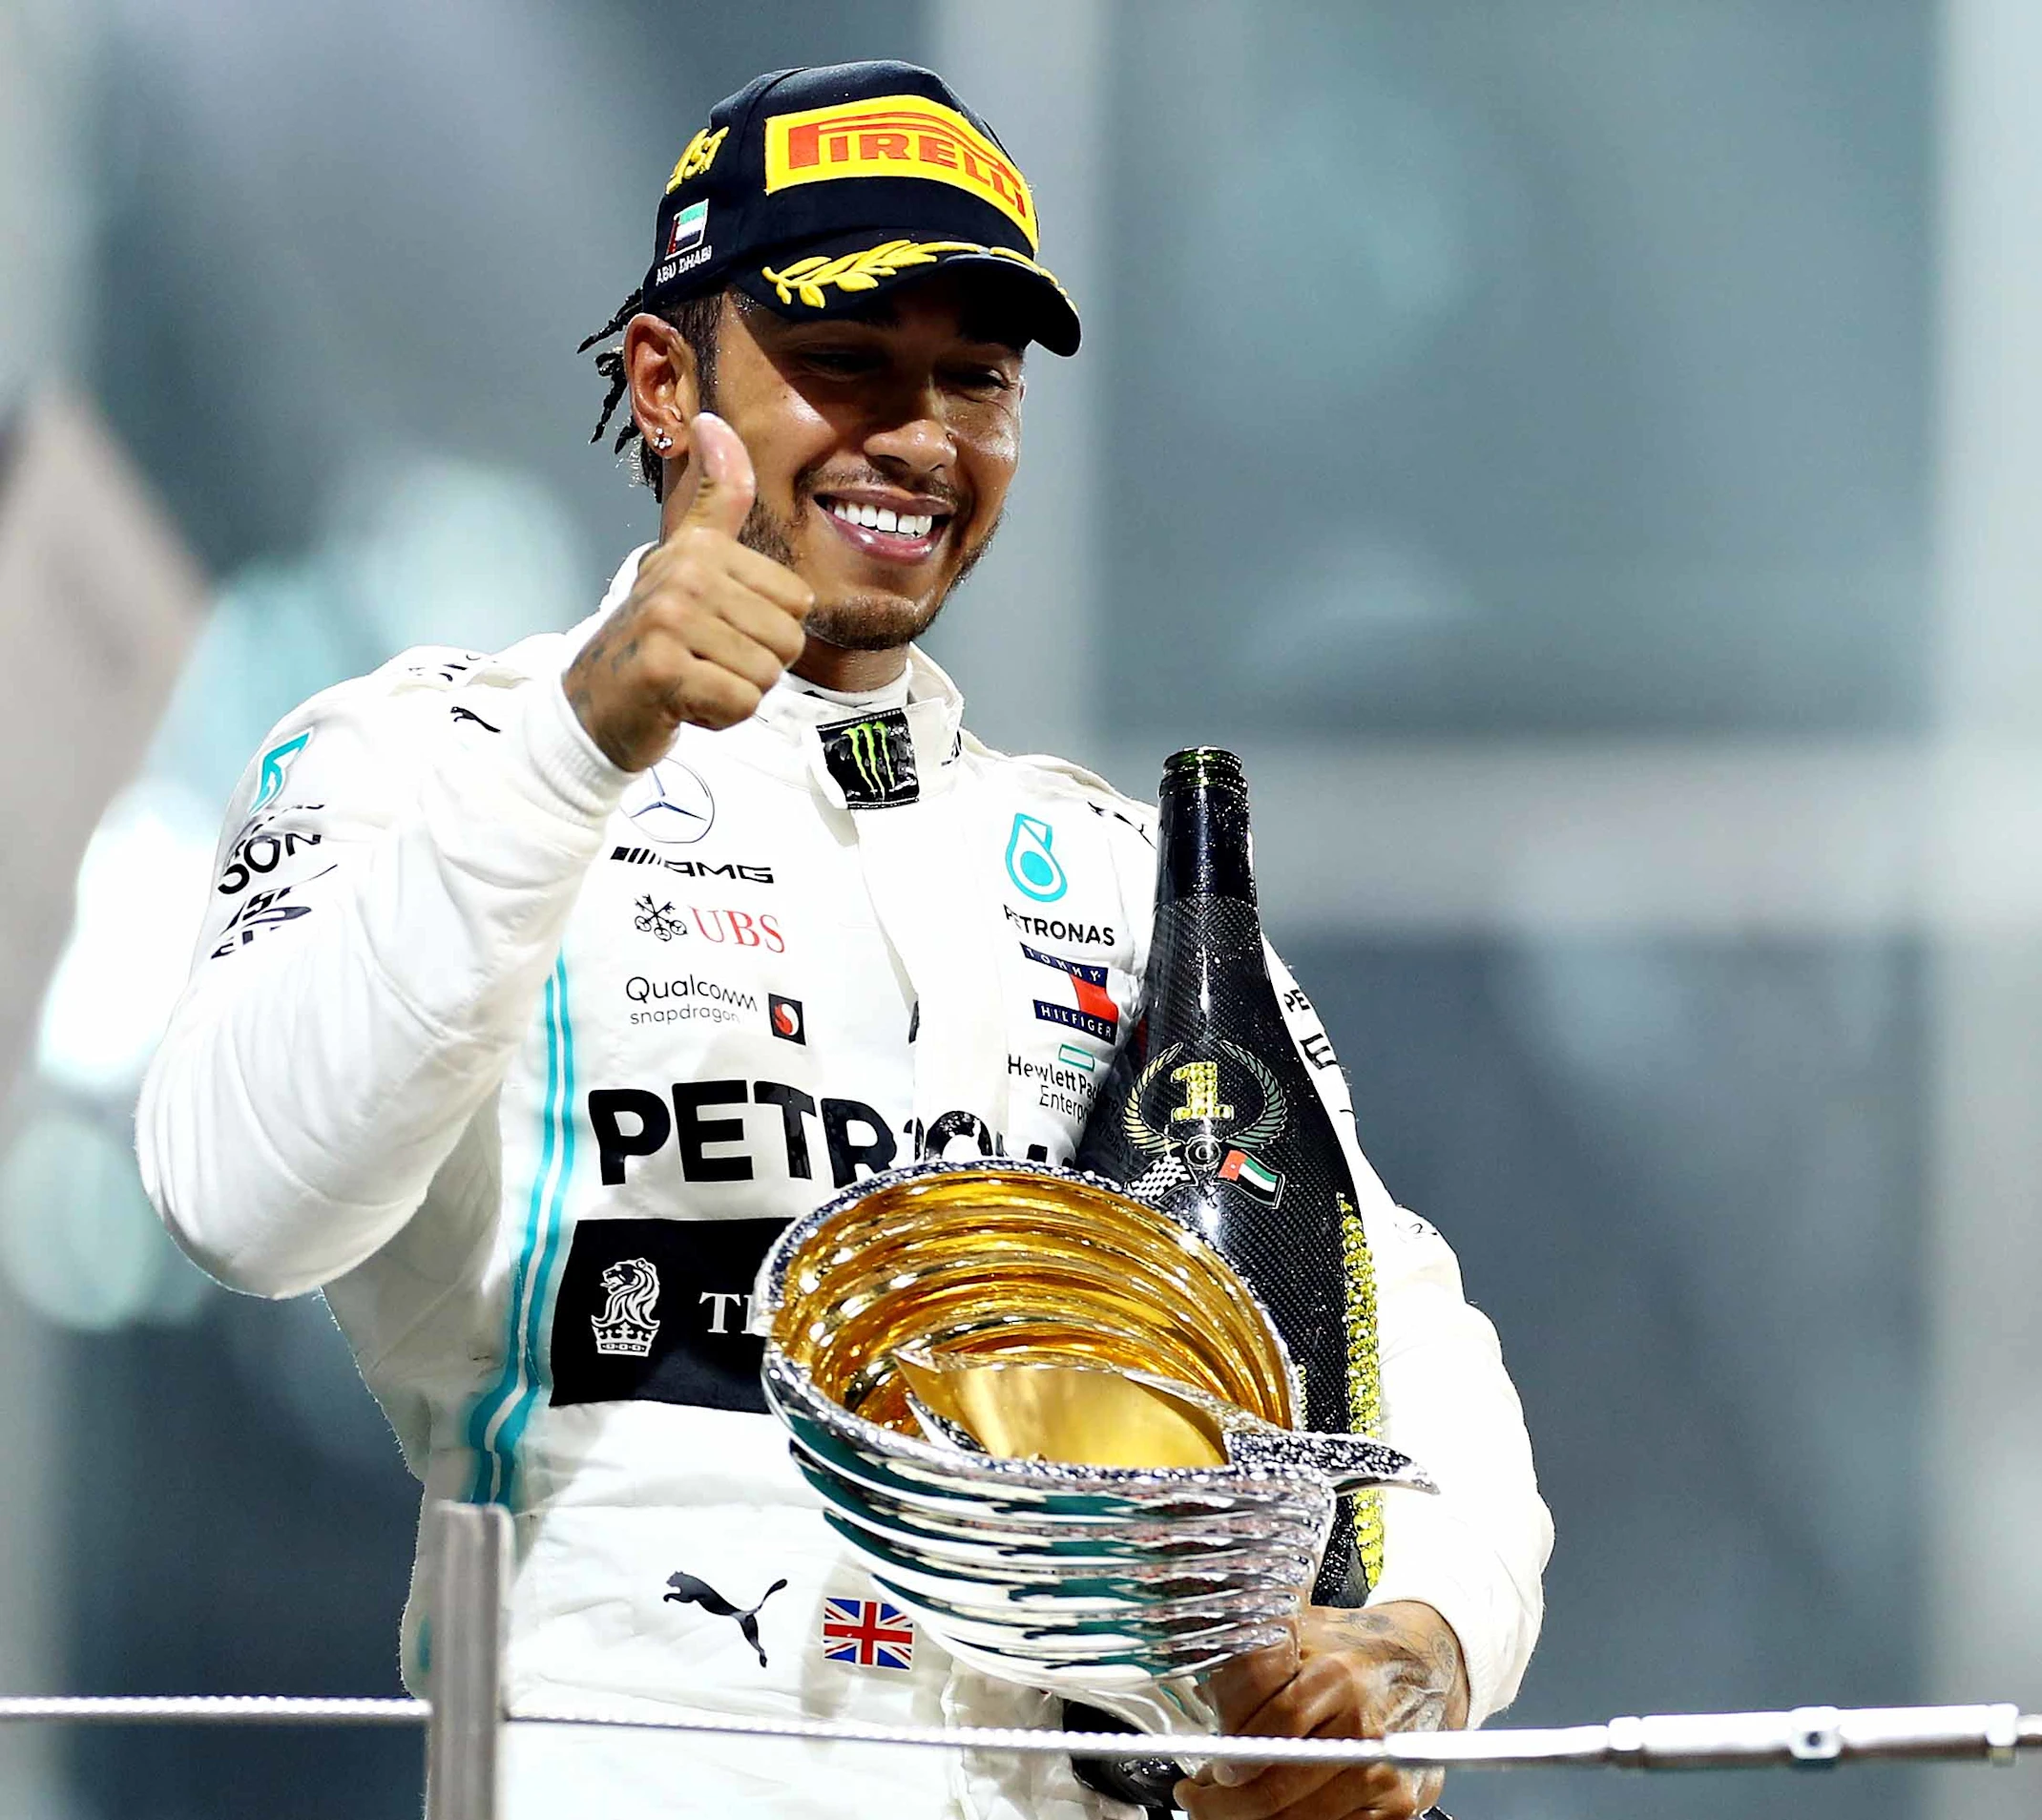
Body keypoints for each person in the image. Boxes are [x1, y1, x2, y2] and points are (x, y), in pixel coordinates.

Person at [135, 60, 1549, 1820]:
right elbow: (236, 1199)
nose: (920, 435)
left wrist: (1425, 1638)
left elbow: (1389, 1311)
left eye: (977, 376)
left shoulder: (1113, 872)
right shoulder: (431, 754)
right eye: (845, 361)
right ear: (664, 383)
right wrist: (593, 738)